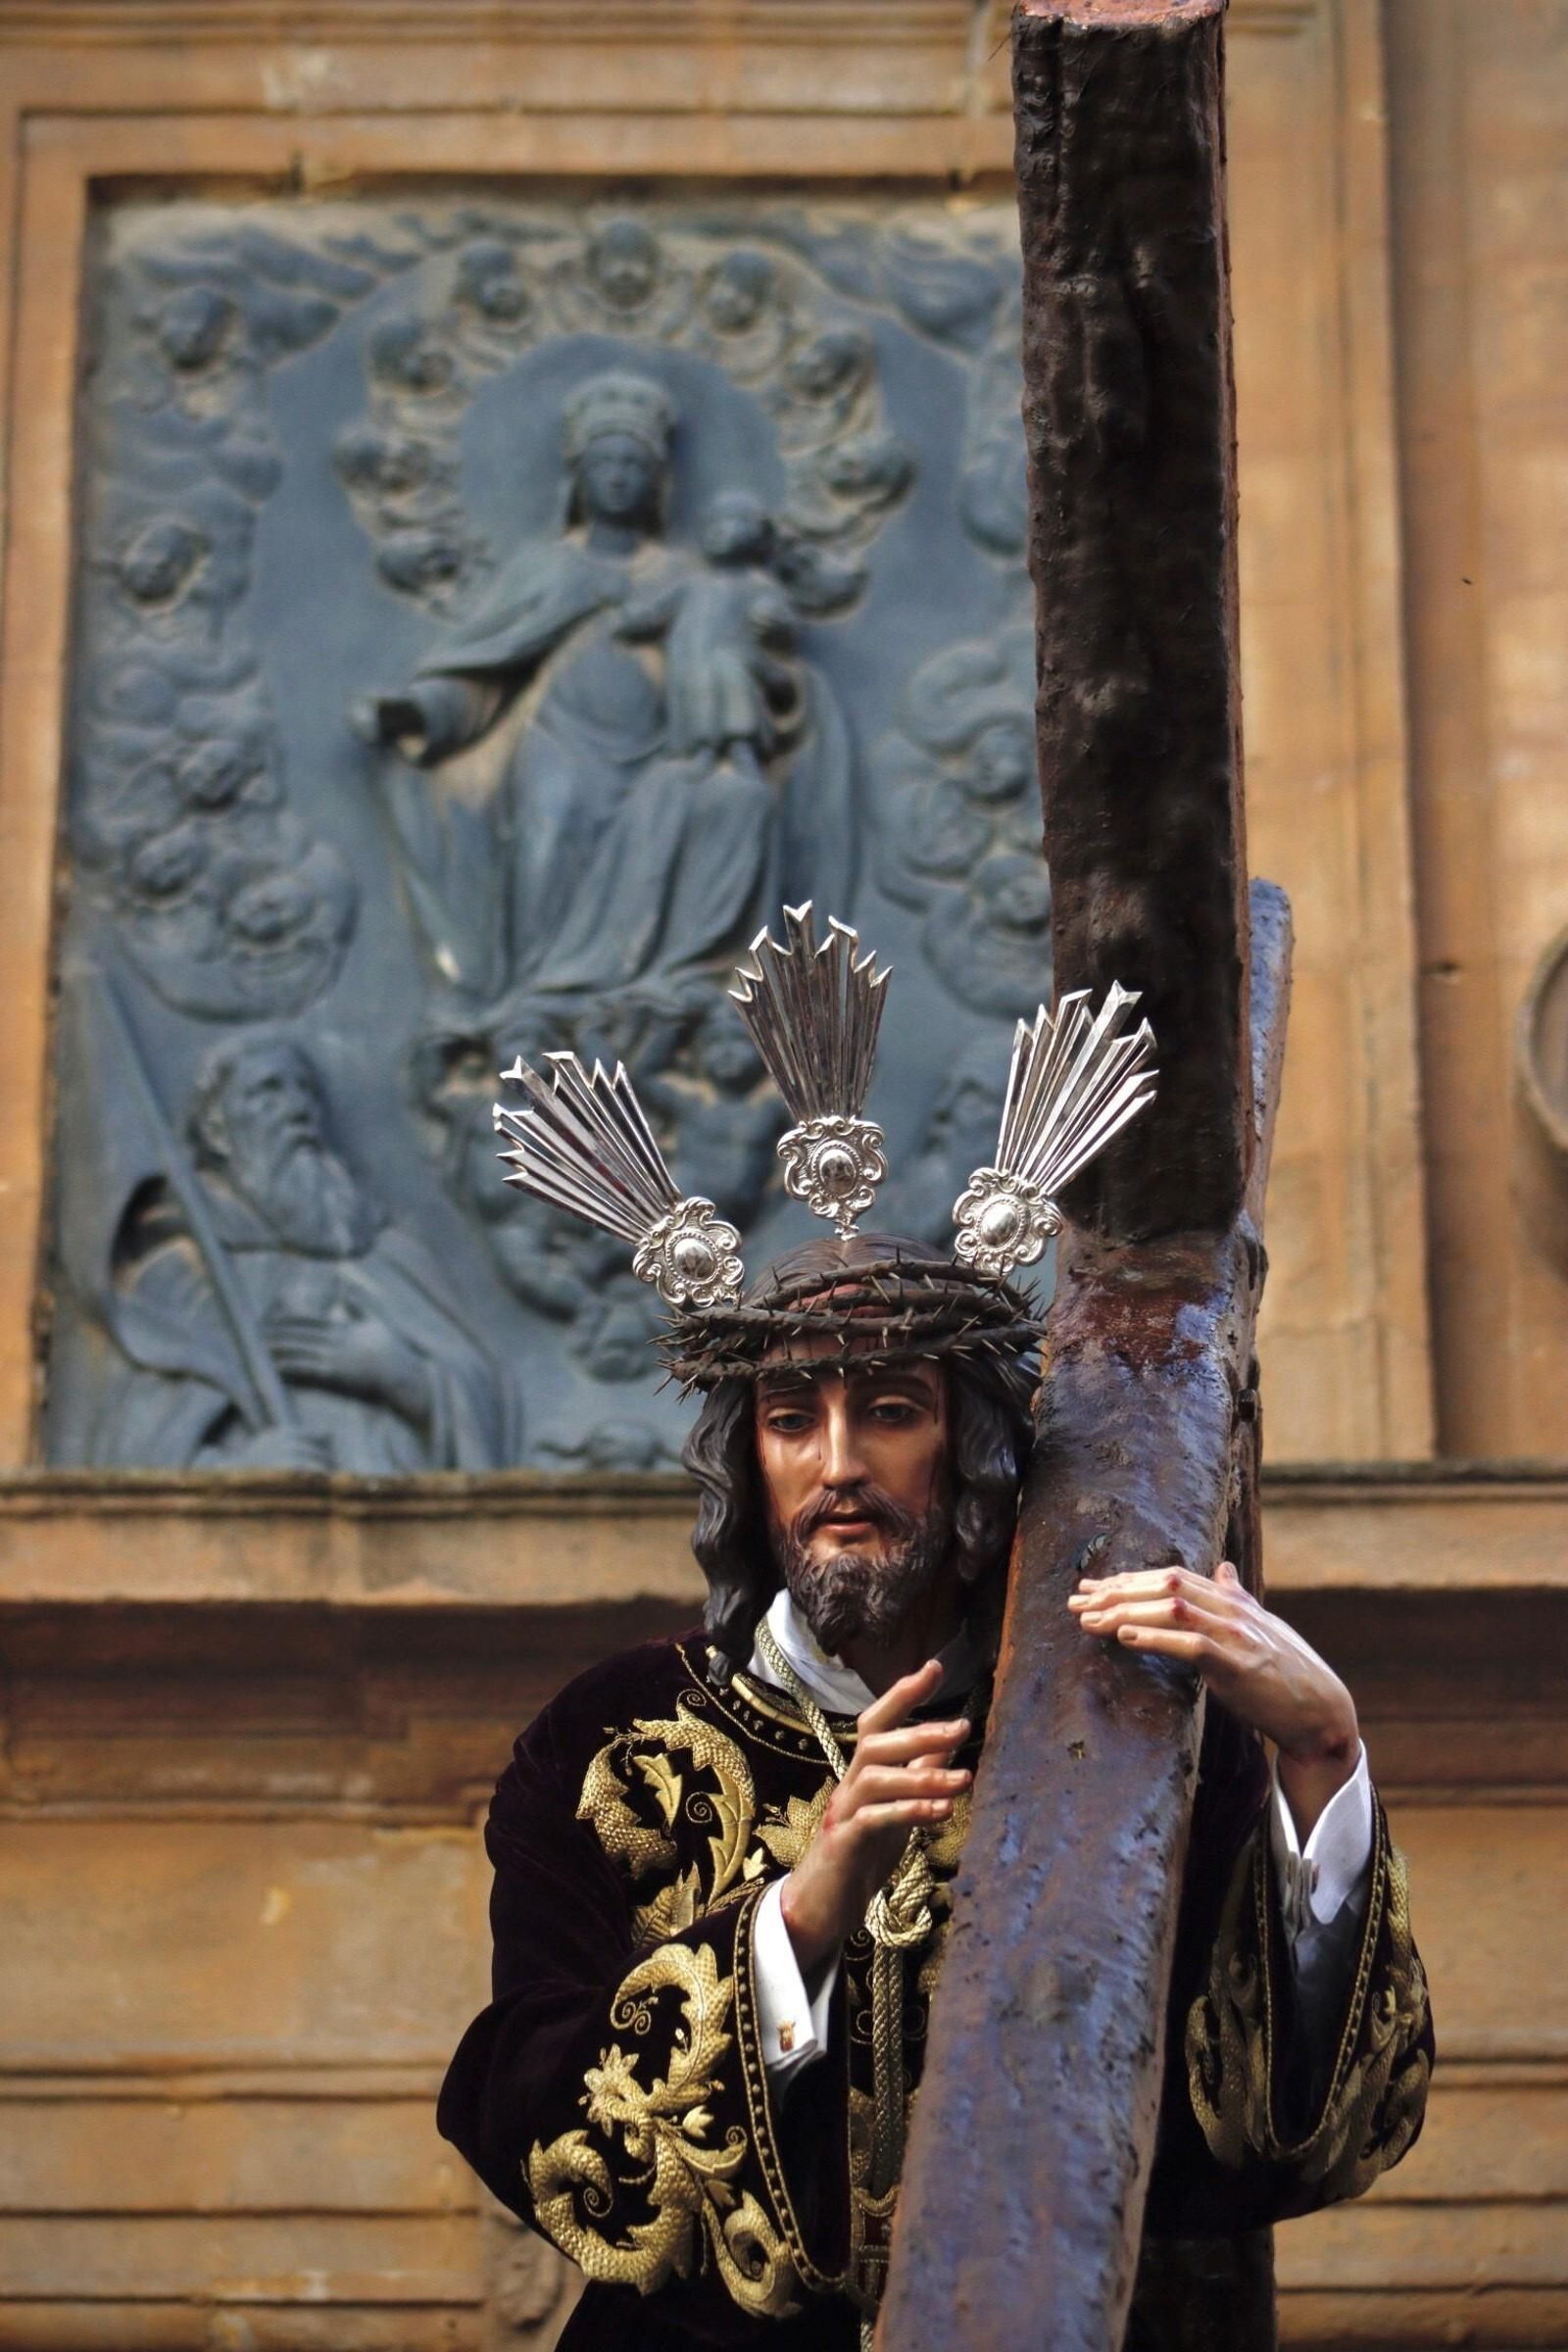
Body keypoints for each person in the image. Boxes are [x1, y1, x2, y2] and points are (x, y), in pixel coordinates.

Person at [438, 1231, 1432, 2347]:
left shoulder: (1128, 1723)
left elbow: (1284, 2125)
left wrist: (1322, 1759)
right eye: (790, 1420)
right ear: (743, 1458)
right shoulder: (611, 1741)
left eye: (892, 1411)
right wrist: (797, 1922)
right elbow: (540, 2130)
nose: (839, 1464)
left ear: (973, 1446)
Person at [90, 1033, 516, 1471]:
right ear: (217, 1130)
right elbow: (136, 1452)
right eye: (268, 1092)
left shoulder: (385, 1252)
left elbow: (477, 1400)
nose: (297, 1109)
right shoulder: (186, 1277)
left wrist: (400, 1374)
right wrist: (236, 1474)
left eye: (304, 1092)